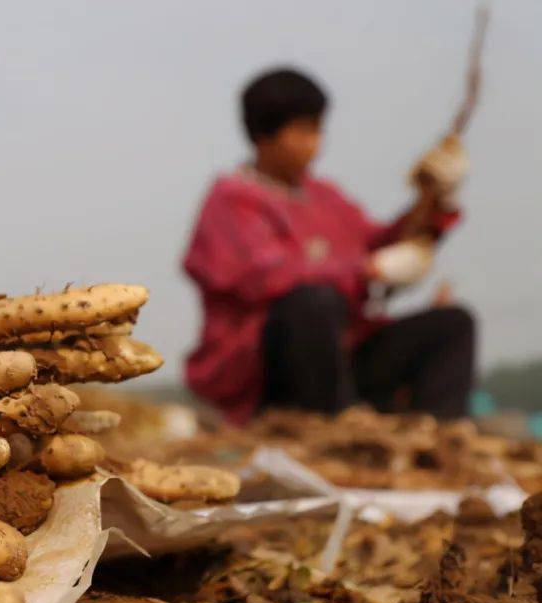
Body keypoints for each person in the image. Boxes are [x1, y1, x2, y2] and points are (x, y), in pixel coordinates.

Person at [182, 67, 474, 425]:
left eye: (317, 130)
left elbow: (380, 243)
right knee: (311, 302)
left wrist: (433, 201)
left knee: (453, 324)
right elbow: (268, 277)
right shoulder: (230, 200)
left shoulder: (325, 198)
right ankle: (336, 429)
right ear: (264, 135)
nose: (314, 143)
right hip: (267, 373)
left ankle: (439, 439)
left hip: (345, 357)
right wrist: (366, 271)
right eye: (302, 131)